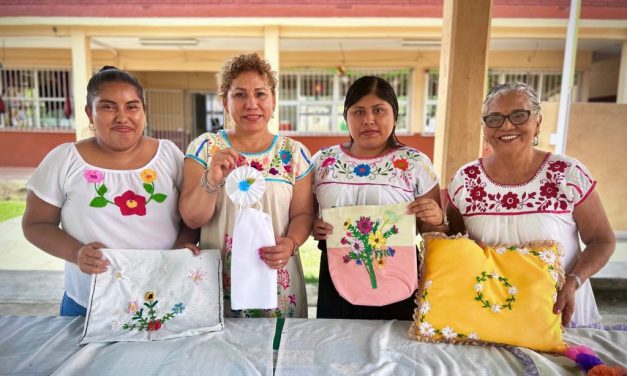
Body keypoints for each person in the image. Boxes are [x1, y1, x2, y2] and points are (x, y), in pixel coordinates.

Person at [22, 66, 199, 317]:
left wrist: (183, 245)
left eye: (132, 106)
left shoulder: (168, 155)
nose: (122, 117)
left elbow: (191, 214)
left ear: (143, 112)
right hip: (88, 303)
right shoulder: (65, 159)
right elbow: (36, 224)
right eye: (108, 107)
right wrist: (76, 253)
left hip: (161, 294)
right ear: (89, 113)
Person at [447, 82, 615, 328]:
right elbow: (455, 246)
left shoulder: (567, 173)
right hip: (492, 317)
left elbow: (603, 240)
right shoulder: (465, 180)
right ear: (484, 128)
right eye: (494, 118)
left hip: (560, 316)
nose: (506, 126)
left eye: (518, 115)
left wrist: (572, 281)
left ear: (537, 122)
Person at [179, 53, 313, 318]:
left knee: (278, 355)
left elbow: (303, 215)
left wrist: (291, 243)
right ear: (224, 103)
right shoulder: (205, 149)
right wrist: (211, 179)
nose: (251, 104)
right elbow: (192, 219)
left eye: (260, 94)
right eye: (239, 95)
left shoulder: (294, 153)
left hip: (277, 279)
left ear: (273, 101)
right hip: (216, 279)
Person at [311, 75, 446, 320]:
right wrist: (313, 226)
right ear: (346, 117)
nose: (368, 120)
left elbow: (433, 230)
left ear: (395, 116)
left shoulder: (415, 163)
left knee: (395, 349)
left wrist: (435, 219)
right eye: (358, 111)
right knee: (338, 347)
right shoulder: (323, 160)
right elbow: (304, 214)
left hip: (396, 274)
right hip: (338, 274)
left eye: (378, 110)